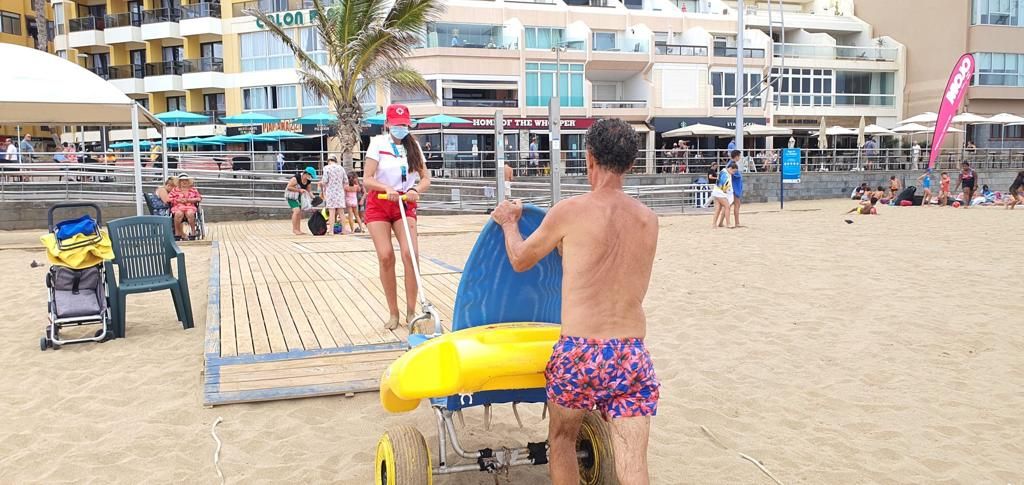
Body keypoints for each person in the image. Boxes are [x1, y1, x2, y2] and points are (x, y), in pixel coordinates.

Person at [489, 118, 659, 485]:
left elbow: (519, 259)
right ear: (631, 164)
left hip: (579, 351)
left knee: (563, 439)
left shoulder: (569, 211)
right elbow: (610, 268)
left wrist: (508, 222)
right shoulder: (648, 220)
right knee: (632, 461)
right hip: (630, 352)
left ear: (589, 158)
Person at [363, 104, 431, 330]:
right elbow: (367, 179)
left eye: (404, 124)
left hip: (405, 203)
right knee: (385, 256)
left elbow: (425, 179)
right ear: (387, 124)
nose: (400, 128)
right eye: (396, 124)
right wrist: (386, 188)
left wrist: (415, 191)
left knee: (410, 254)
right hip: (380, 203)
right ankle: (393, 312)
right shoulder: (378, 144)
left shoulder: (414, 147)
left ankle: (412, 311)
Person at [285, 167, 318, 235]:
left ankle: (298, 229)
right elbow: (289, 187)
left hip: (299, 197)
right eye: (310, 176)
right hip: (291, 196)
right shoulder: (296, 178)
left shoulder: (308, 181)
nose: (310, 177)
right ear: (306, 173)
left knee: (299, 212)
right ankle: (294, 229)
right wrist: (299, 190)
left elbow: (309, 191)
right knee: (296, 211)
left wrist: (314, 198)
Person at [169, 173, 202, 240]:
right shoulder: (175, 190)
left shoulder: (193, 190)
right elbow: (169, 199)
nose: (184, 182)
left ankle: (193, 232)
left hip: (190, 206)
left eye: (186, 180)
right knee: (178, 213)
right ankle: (177, 233)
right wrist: (178, 200)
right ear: (179, 182)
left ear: (188, 182)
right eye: (182, 180)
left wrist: (189, 200)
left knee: (190, 213)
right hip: (178, 206)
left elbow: (199, 198)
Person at [320, 155, 347, 235]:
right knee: (341, 212)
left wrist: (321, 184)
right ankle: (344, 230)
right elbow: (345, 180)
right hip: (340, 192)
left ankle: (331, 231)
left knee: (332, 212)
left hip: (330, 192)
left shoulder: (326, 168)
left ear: (328, 161)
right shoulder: (341, 168)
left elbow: (324, 180)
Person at [711, 161, 737, 229]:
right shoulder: (725, 175)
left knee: (718, 208)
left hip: (717, 191)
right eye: (733, 171)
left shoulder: (724, 171)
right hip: (720, 192)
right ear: (730, 168)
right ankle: (728, 223)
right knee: (727, 206)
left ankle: (714, 224)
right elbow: (725, 187)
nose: (733, 173)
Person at [729, 150, 744, 227]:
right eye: (739, 156)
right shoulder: (732, 164)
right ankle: (737, 222)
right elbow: (731, 173)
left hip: (735, 187)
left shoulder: (731, 164)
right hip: (735, 188)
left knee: (729, 205)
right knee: (736, 205)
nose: (740, 158)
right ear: (736, 156)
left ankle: (721, 222)